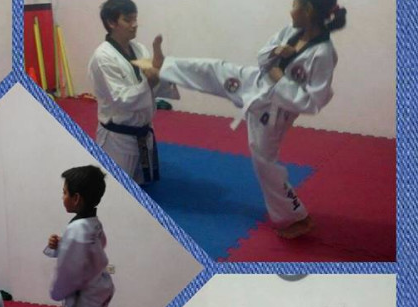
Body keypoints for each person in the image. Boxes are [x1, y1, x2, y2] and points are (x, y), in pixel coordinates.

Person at [133, 0, 347, 239]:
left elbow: (312, 101)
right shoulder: (291, 31)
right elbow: (262, 58)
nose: (291, 10)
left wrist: (280, 80)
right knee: (216, 69)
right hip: (255, 82)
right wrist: (276, 52)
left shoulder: (324, 53)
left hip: (273, 112)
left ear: (308, 11)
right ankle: (165, 66)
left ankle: (295, 216)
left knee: (264, 163)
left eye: (295, 5)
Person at [44, 165, 127, 307]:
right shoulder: (92, 221)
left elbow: (68, 273)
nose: (62, 197)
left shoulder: (77, 230)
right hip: (99, 290)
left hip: (84, 299)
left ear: (77, 198)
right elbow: (93, 250)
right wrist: (62, 245)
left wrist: (56, 293)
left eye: (64, 192)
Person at [87, 0, 179, 184]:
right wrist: (150, 81)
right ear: (111, 23)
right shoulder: (103, 57)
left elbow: (153, 87)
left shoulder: (139, 49)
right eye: (128, 20)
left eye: (135, 19)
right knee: (116, 191)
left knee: (141, 188)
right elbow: (121, 99)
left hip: (143, 134)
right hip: (118, 140)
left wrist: (162, 72)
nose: (134, 24)